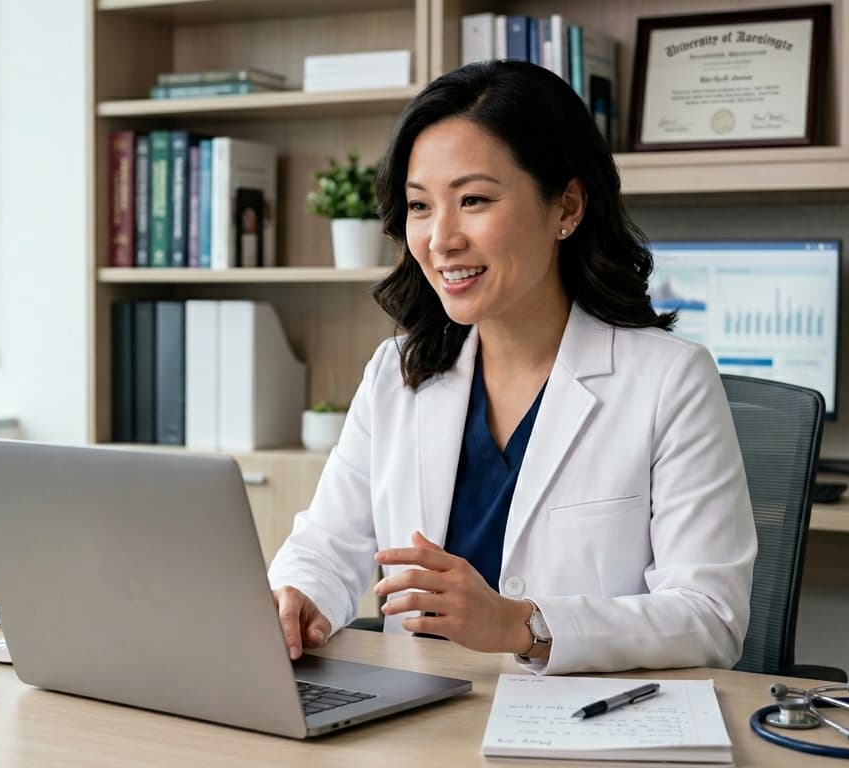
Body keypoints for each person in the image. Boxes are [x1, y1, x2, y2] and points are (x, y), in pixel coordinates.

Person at [267, 60, 756, 675]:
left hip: (585, 727)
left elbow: (710, 618)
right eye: (420, 206)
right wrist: (298, 595)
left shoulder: (669, 380)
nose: (441, 238)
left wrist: (524, 625)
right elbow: (326, 545)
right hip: (413, 722)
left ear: (567, 208)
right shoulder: (397, 372)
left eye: (473, 200)